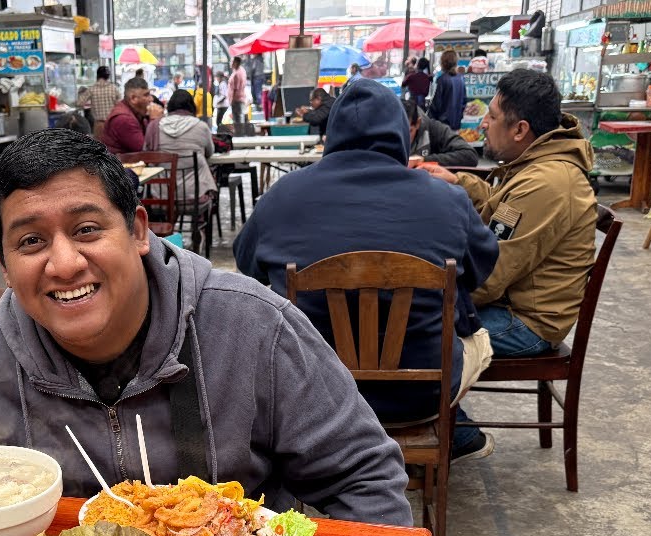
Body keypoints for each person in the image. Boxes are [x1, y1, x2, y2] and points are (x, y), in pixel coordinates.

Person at [0, 128, 412, 527]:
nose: (64, 262)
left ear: (136, 230)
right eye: (30, 241)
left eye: (86, 229)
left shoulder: (253, 328)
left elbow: (365, 480)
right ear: (3, 262)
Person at [236, 80, 499, 424]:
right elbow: (481, 268)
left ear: (332, 133)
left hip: (312, 399)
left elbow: (247, 264)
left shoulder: (283, 195)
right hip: (421, 398)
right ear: (402, 134)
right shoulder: (448, 199)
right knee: (477, 338)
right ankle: (454, 433)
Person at [418, 69, 597, 461]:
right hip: (518, 303)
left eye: (493, 116)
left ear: (520, 129)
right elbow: (506, 208)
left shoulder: (548, 183)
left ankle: (455, 433)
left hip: (528, 321)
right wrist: (458, 182)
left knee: (416, 334)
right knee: (416, 318)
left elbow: (492, 276)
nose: (484, 123)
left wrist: (432, 295)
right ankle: (444, 424)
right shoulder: (538, 162)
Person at [144, 89, 218, 206]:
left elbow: (146, 154)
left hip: (162, 195)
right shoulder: (201, 126)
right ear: (192, 106)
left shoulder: (154, 127)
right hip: (196, 194)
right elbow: (209, 152)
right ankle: (198, 222)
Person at [403, 98, 479, 167]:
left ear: (418, 123)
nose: (402, 139)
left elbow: (470, 156)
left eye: (407, 132)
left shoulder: (434, 130)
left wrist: (424, 160)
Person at [99, 77, 152, 155]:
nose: (151, 99)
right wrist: (154, 120)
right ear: (133, 98)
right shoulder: (123, 119)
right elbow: (145, 150)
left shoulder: (134, 112)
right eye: (146, 95)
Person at [429, 51, 467, 131]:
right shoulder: (461, 78)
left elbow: (436, 105)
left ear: (443, 63)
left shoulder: (441, 79)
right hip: (457, 123)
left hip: (443, 124)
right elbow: (464, 101)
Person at [80, 65, 120, 134]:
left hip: (99, 125)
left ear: (97, 76)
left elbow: (80, 103)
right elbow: (120, 105)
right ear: (108, 76)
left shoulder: (92, 89)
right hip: (112, 123)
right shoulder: (114, 88)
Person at [228, 56, 249, 135]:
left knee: (238, 119)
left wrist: (232, 100)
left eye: (232, 61)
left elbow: (235, 89)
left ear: (235, 63)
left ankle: (240, 135)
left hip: (237, 99)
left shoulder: (237, 74)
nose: (231, 63)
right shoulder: (242, 70)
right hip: (241, 98)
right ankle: (241, 135)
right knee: (241, 117)